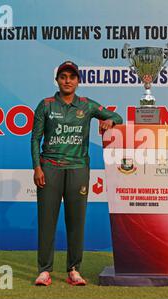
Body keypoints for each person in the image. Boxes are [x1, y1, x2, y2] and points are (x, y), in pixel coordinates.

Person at [31, 60, 123, 286]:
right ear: (57, 80)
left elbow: (117, 118)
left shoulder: (87, 105)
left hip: (78, 169)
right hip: (50, 168)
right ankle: (44, 270)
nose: (67, 81)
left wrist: (109, 121)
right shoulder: (46, 105)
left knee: (76, 221)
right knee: (47, 221)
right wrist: (37, 167)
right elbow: (35, 138)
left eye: (72, 77)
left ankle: (74, 270)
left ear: (78, 81)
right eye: (63, 77)